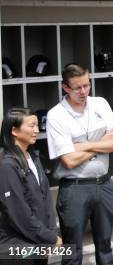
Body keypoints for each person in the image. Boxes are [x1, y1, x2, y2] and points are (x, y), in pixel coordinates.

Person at [46, 64, 113, 265]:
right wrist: (102, 143)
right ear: (65, 87)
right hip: (75, 189)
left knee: (105, 245)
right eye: (77, 87)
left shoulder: (100, 104)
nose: (83, 92)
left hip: (104, 184)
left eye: (86, 85)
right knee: (72, 250)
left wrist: (84, 145)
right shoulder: (56, 115)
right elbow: (69, 160)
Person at [0, 108, 61, 265]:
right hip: (17, 245)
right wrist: (49, 237)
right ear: (14, 130)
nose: (36, 130)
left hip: (39, 242)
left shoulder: (33, 157)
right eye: (31, 126)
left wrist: (51, 233)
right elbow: (18, 212)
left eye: (36, 125)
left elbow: (45, 198)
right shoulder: (7, 165)